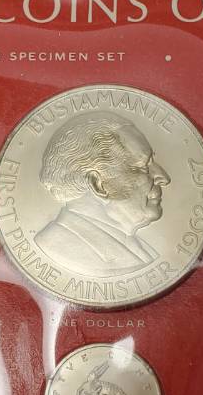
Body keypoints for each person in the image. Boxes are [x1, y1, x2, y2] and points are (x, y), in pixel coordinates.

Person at [35, 111, 170, 274]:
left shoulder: (139, 247)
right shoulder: (58, 247)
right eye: (143, 166)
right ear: (98, 185)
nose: (163, 178)